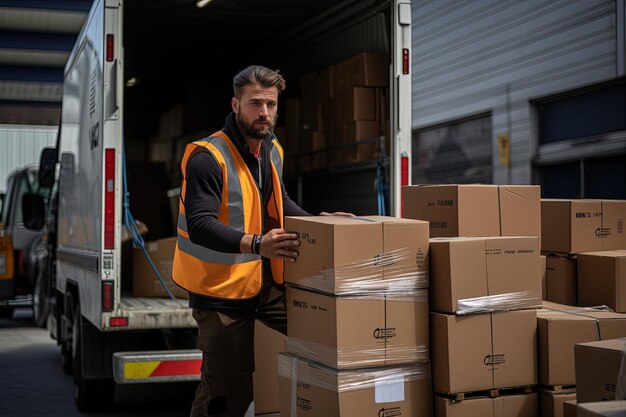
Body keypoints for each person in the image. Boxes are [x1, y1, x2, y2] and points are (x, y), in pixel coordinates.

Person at [172, 65, 351, 417]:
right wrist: (257, 244)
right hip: (217, 292)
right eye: (256, 103)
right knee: (226, 394)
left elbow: (279, 202)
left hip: (264, 283)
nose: (265, 112)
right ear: (235, 105)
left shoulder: (271, 149)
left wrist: (316, 221)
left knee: (326, 334)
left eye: (271, 104)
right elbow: (199, 224)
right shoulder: (207, 157)